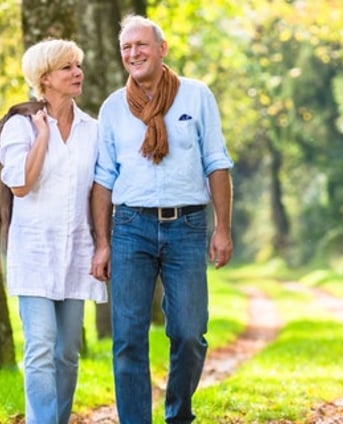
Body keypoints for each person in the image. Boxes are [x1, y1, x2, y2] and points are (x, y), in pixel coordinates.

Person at [89, 15, 234, 424]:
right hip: (130, 228)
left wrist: (222, 228)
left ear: (162, 48)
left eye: (141, 45)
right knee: (128, 339)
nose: (133, 54)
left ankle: (178, 414)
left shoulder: (196, 96)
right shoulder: (114, 108)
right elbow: (103, 179)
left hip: (187, 226)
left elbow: (217, 164)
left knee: (189, 333)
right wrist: (102, 242)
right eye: (126, 48)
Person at [0, 39, 108, 424]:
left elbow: (99, 191)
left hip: (77, 251)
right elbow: (21, 184)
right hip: (34, 254)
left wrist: (102, 246)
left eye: (78, 65)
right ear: (44, 78)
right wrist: (42, 136)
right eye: (67, 67)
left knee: (68, 352)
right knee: (40, 347)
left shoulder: (92, 129)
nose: (78, 73)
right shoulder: (18, 126)